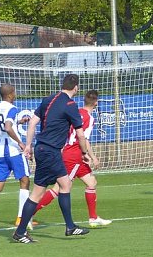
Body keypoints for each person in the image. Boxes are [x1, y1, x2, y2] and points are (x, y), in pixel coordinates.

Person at [12, 74, 96, 243]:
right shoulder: (70, 105)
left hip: (41, 148)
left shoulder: (48, 99)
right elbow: (80, 134)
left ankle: (21, 231)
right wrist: (85, 153)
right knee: (62, 186)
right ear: (76, 88)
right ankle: (69, 227)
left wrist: (28, 145)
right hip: (51, 151)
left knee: (44, 190)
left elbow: (33, 123)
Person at [30, 90, 112, 227]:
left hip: (71, 153)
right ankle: (29, 215)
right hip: (74, 156)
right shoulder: (89, 119)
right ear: (96, 103)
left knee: (91, 182)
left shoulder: (76, 111)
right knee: (59, 188)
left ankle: (93, 217)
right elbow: (84, 139)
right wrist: (92, 156)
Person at [0, 83, 34, 228]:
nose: (16, 94)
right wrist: (20, 143)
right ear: (10, 94)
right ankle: (21, 218)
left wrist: (19, 121)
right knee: (24, 181)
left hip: (0, 151)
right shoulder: (12, 108)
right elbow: (7, 127)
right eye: (15, 92)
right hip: (13, 151)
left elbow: (3, 125)